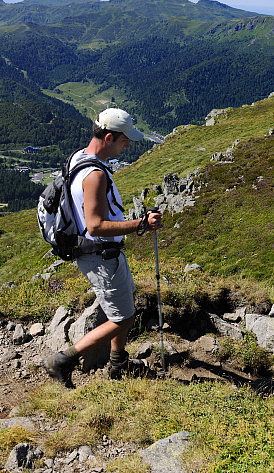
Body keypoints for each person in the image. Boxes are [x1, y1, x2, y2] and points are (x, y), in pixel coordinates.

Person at [42, 108, 162, 388]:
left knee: (123, 307)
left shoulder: (79, 157)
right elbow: (95, 226)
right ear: (109, 137)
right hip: (100, 256)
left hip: (103, 254)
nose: (128, 145)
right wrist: (141, 224)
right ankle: (62, 360)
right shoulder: (95, 174)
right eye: (124, 140)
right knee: (123, 318)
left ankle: (118, 363)